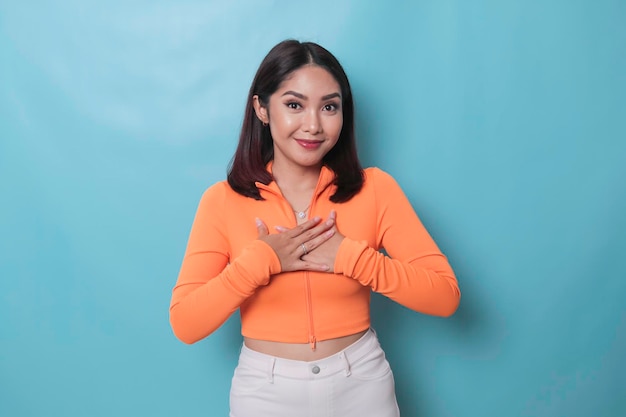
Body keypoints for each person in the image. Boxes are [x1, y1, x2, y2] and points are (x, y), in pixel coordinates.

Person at [169, 39, 461, 417]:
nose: (313, 125)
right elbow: (186, 323)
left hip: (362, 384)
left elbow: (445, 296)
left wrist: (351, 257)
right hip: (265, 391)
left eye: (329, 107)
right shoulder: (222, 200)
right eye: (294, 105)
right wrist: (261, 262)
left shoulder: (376, 190)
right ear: (261, 108)